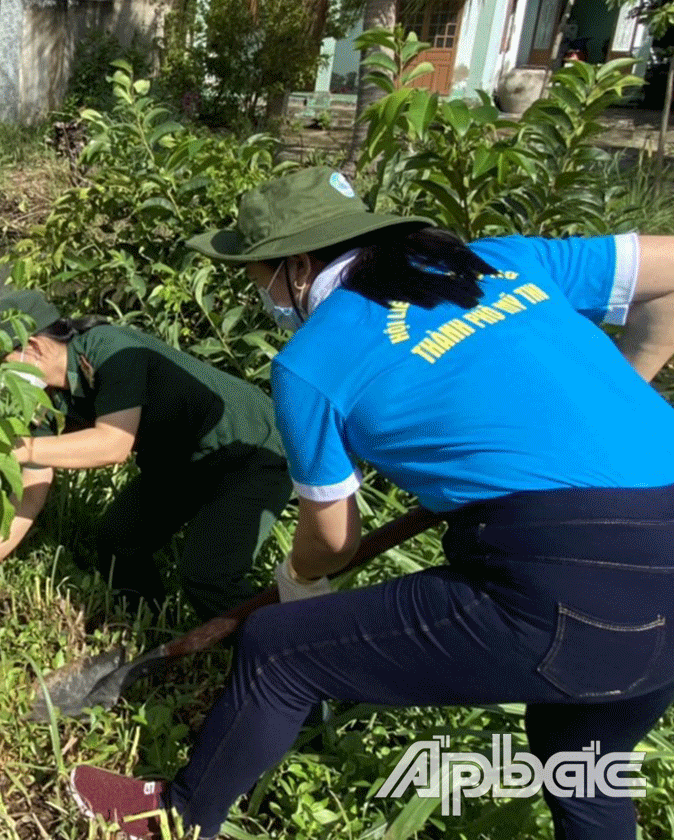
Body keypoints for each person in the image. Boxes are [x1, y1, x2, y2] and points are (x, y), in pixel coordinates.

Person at [67, 166, 674, 840]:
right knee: (583, 762)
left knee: (278, 650)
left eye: (254, 275)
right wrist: (622, 386)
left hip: (566, 574)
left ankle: (171, 821)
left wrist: (297, 583)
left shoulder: (314, 359)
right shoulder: (502, 259)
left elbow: (333, 542)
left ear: (296, 268)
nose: (259, 291)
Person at [0, 290, 292, 624]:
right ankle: (151, 629)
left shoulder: (110, 349)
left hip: (248, 449)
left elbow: (112, 444)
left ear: (34, 347)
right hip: (177, 462)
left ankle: (279, 656)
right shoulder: (42, 400)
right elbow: (30, 492)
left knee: (209, 574)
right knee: (119, 541)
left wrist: (17, 449)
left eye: (2, 363)